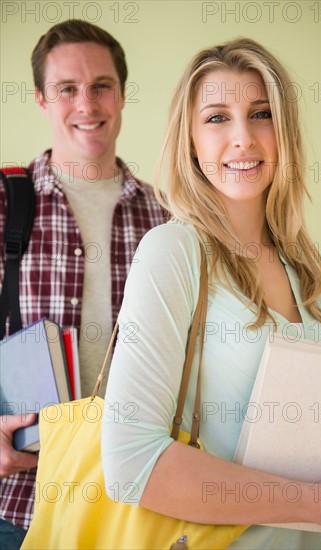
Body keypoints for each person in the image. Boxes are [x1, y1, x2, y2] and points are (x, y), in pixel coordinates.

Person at [102, 38, 321, 549]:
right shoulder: (173, 250)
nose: (243, 138)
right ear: (191, 142)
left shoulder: (298, 265)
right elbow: (130, 461)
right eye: (218, 118)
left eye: (261, 114)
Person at [0, 19, 165, 548]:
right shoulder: (6, 201)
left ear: (120, 95)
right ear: (41, 100)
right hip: (18, 500)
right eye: (66, 88)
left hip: (133, 500)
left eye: (101, 87)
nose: (86, 104)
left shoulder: (169, 218)